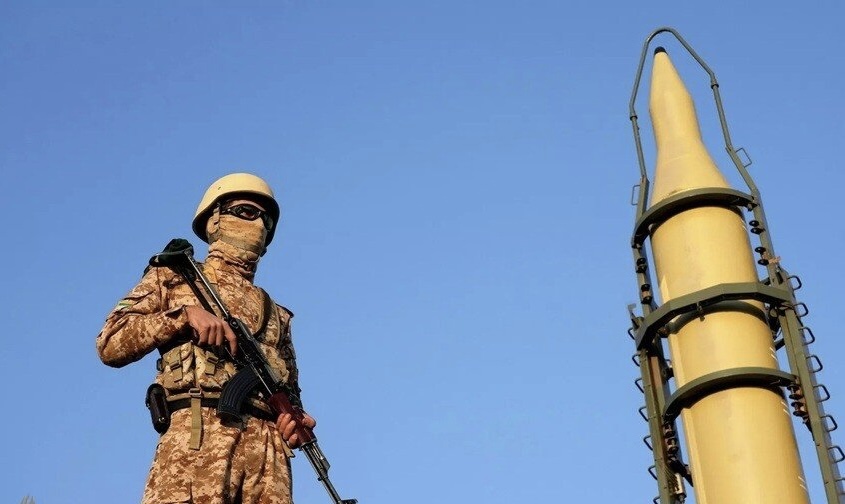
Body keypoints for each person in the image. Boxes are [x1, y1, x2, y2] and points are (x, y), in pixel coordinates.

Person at [97, 173, 316, 504]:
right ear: (214, 219)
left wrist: (295, 418)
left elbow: (290, 389)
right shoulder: (175, 277)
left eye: (267, 220)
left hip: (268, 461)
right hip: (199, 439)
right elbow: (111, 343)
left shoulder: (276, 314)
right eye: (246, 212)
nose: (259, 224)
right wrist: (183, 316)